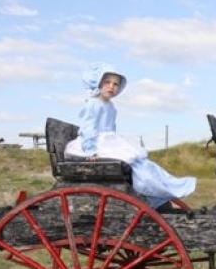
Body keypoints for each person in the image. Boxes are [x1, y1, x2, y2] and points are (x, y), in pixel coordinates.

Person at [65, 63, 196, 209]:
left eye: (116, 84)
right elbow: (88, 128)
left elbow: (111, 129)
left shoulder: (111, 107)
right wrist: (90, 150)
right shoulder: (93, 104)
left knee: (144, 164)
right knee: (135, 162)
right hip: (94, 144)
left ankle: (164, 190)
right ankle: (151, 194)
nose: (111, 87)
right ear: (98, 83)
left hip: (109, 141)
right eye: (107, 82)